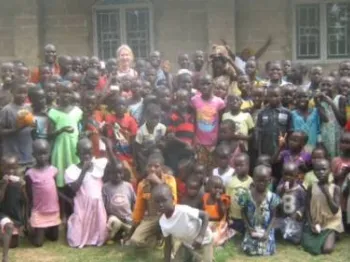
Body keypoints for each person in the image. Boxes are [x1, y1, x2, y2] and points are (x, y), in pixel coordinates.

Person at [152, 183, 213, 262]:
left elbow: (205, 215)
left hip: (204, 240)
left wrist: (200, 237)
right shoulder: (163, 222)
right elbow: (168, 245)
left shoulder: (183, 211)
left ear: (172, 198)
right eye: (157, 202)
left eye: (164, 200)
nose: (161, 205)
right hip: (187, 244)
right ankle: (193, 255)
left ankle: (200, 256)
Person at [65, 138, 108, 248]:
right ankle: (83, 238)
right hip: (82, 204)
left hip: (97, 203)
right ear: (77, 153)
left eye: (89, 152)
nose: (87, 156)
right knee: (76, 238)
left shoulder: (98, 165)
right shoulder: (72, 170)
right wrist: (83, 171)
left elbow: (113, 165)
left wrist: (109, 148)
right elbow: (74, 188)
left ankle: (95, 239)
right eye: (84, 153)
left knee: (99, 224)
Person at [127, 152, 177, 248]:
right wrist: (134, 226)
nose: (152, 169)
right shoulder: (143, 184)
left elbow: (173, 200)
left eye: (156, 166)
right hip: (152, 218)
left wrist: (158, 182)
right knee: (135, 240)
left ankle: (168, 243)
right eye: (150, 166)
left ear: (162, 168)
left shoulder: (170, 179)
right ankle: (154, 238)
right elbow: (139, 208)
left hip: (168, 216)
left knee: (171, 239)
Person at [302, 159, 343, 255]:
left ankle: (333, 236)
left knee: (327, 250)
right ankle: (326, 237)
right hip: (316, 223)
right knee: (307, 245)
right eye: (317, 170)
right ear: (313, 172)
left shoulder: (335, 188)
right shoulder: (311, 187)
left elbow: (335, 210)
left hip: (330, 223)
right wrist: (311, 223)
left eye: (324, 169)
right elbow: (307, 207)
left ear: (330, 170)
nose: (321, 172)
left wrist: (327, 193)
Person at [238, 165, 280, 256]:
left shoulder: (273, 197)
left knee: (266, 251)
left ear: (269, 181)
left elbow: (274, 216)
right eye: (258, 180)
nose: (261, 183)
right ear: (253, 180)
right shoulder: (245, 195)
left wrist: (267, 232)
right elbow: (242, 212)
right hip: (252, 229)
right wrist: (248, 227)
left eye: (264, 181)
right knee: (250, 250)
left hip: (266, 229)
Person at [25, 139, 60, 247]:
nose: (42, 157)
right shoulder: (30, 174)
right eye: (39, 154)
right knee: (38, 243)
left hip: (53, 210)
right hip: (39, 211)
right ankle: (34, 232)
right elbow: (29, 193)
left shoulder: (53, 170)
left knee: (54, 238)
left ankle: (44, 230)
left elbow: (55, 190)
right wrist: (30, 210)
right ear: (33, 155)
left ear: (49, 153)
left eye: (45, 153)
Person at [102, 138, 135, 243]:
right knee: (113, 223)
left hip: (128, 219)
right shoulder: (105, 187)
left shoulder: (128, 186)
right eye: (114, 173)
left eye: (120, 173)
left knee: (132, 230)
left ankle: (125, 235)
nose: (117, 176)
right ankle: (116, 236)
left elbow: (134, 203)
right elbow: (103, 207)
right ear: (109, 173)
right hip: (114, 218)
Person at [192, 74, 225, 172]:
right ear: (198, 85)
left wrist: (217, 141)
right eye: (202, 84)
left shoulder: (219, 102)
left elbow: (221, 123)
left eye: (208, 84)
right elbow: (193, 120)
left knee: (212, 170)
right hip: (199, 143)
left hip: (213, 144)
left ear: (213, 85)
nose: (205, 87)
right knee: (200, 169)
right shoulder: (194, 100)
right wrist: (194, 138)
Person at [104, 96, 138, 182]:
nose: (120, 107)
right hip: (113, 149)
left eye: (123, 105)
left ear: (126, 107)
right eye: (118, 105)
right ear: (114, 107)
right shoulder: (109, 118)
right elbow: (108, 135)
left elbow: (133, 139)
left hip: (126, 150)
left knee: (128, 172)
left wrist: (134, 156)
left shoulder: (130, 120)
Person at [0, 83, 34, 167]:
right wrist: (16, 129)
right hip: (13, 157)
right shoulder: (6, 110)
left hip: (28, 155)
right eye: (19, 92)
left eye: (25, 93)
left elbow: (31, 129)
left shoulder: (29, 108)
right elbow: (1, 132)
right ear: (12, 92)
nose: (23, 95)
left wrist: (34, 126)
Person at [0, 155, 26, 262]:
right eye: (7, 168)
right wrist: (4, 186)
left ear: (17, 167)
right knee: (9, 227)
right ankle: (5, 257)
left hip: (15, 216)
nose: (10, 171)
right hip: (2, 214)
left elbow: (25, 202)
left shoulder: (20, 183)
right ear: (2, 168)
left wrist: (24, 222)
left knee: (14, 244)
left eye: (13, 168)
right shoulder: (1, 182)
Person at [164, 88, 195, 174]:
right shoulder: (172, 116)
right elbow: (171, 136)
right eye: (179, 99)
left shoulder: (193, 115)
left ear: (189, 99)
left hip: (191, 150)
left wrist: (193, 146)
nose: (182, 101)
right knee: (176, 172)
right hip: (176, 150)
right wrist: (185, 143)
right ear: (176, 100)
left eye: (185, 99)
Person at [257, 86, 292, 157]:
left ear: (281, 96)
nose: (273, 98)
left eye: (276, 96)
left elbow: (290, 132)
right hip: (266, 151)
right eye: (270, 96)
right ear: (267, 97)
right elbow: (259, 134)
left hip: (282, 151)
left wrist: (288, 150)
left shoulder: (287, 113)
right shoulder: (262, 112)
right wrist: (259, 153)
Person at [275, 163, 306, 244]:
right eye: (285, 174)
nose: (288, 177)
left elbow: (304, 205)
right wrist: (281, 193)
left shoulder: (300, 190)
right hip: (282, 218)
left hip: (294, 219)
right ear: (282, 174)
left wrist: (298, 213)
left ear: (296, 176)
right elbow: (275, 204)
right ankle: (283, 233)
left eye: (291, 175)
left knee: (296, 240)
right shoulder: (279, 188)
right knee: (274, 230)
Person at [292, 86, 328, 152]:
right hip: (298, 149)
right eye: (299, 97)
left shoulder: (316, 111)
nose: (302, 99)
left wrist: (316, 102)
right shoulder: (292, 114)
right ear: (295, 99)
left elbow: (326, 120)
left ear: (309, 98)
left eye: (305, 97)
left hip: (314, 147)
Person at [134, 104, 166, 175]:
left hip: (157, 156)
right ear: (146, 117)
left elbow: (163, 143)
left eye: (157, 118)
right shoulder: (141, 131)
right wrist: (144, 161)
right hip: (144, 156)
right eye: (153, 118)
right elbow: (137, 150)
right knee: (146, 174)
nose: (155, 121)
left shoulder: (162, 128)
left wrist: (161, 144)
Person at [318, 76, 345, 158]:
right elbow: (324, 119)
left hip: (339, 135)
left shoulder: (340, 99)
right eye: (323, 85)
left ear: (335, 87)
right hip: (325, 136)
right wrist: (317, 103)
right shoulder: (319, 100)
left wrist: (331, 103)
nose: (325, 87)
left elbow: (342, 122)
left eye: (329, 85)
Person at [226, 153, 253, 235]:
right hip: (234, 217)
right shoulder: (230, 182)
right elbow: (227, 200)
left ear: (248, 166)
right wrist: (227, 217)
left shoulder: (251, 182)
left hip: (247, 217)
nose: (238, 168)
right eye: (236, 165)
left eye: (241, 165)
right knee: (233, 233)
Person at [202, 176, 233, 246]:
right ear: (209, 188)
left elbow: (222, 215)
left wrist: (219, 201)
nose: (218, 190)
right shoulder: (205, 197)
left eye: (220, 188)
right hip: (207, 223)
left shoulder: (223, 199)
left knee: (215, 236)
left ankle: (220, 242)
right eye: (215, 188)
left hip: (219, 224)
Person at [331, 132, 350, 228]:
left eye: (348, 143)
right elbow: (332, 178)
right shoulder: (336, 160)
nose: (345, 145)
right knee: (341, 207)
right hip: (339, 189)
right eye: (342, 142)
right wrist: (343, 173)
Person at [80, 91, 104, 158]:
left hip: (98, 147)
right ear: (83, 103)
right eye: (87, 103)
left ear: (96, 104)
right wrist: (89, 132)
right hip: (86, 151)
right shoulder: (81, 116)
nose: (89, 105)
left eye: (92, 103)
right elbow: (79, 134)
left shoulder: (99, 114)